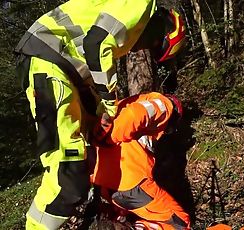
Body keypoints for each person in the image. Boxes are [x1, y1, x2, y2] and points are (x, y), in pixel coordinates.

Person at [14, 0, 186, 229]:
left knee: (79, 171)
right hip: (49, 61)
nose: (139, 49)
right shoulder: (141, 4)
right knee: (69, 174)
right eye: (154, 45)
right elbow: (95, 43)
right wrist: (108, 106)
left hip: (67, 69)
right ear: (165, 31)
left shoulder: (124, 19)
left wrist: (101, 117)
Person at [91, 92, 190, 229]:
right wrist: (110, 138)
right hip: (131, 183)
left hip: (105, 186)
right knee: (179, 222)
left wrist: (103, 138)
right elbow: (134, 114)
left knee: (131, 216)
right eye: (171, 128)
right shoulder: (164, 105)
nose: (166, 132)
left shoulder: (120, 105)